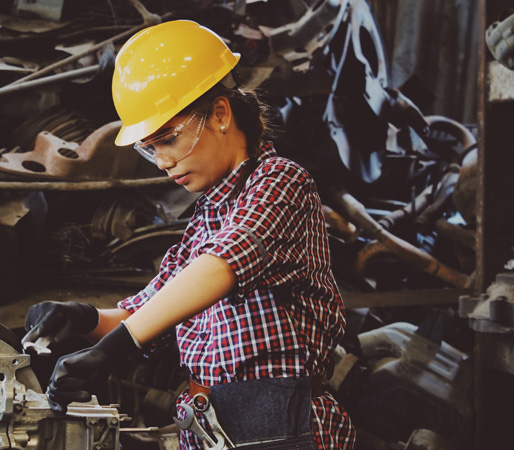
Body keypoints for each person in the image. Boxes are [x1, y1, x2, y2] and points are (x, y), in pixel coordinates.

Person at [22, 20, 355, 450]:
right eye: (149, 148)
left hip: (280, 425)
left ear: (220, 114)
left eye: (168, 139)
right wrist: (81, 317)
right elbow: (147, 315)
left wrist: (115, 348)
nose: (162, 161)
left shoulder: (280, 182)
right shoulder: (205, 220)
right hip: (210, 425)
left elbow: (224, 264)